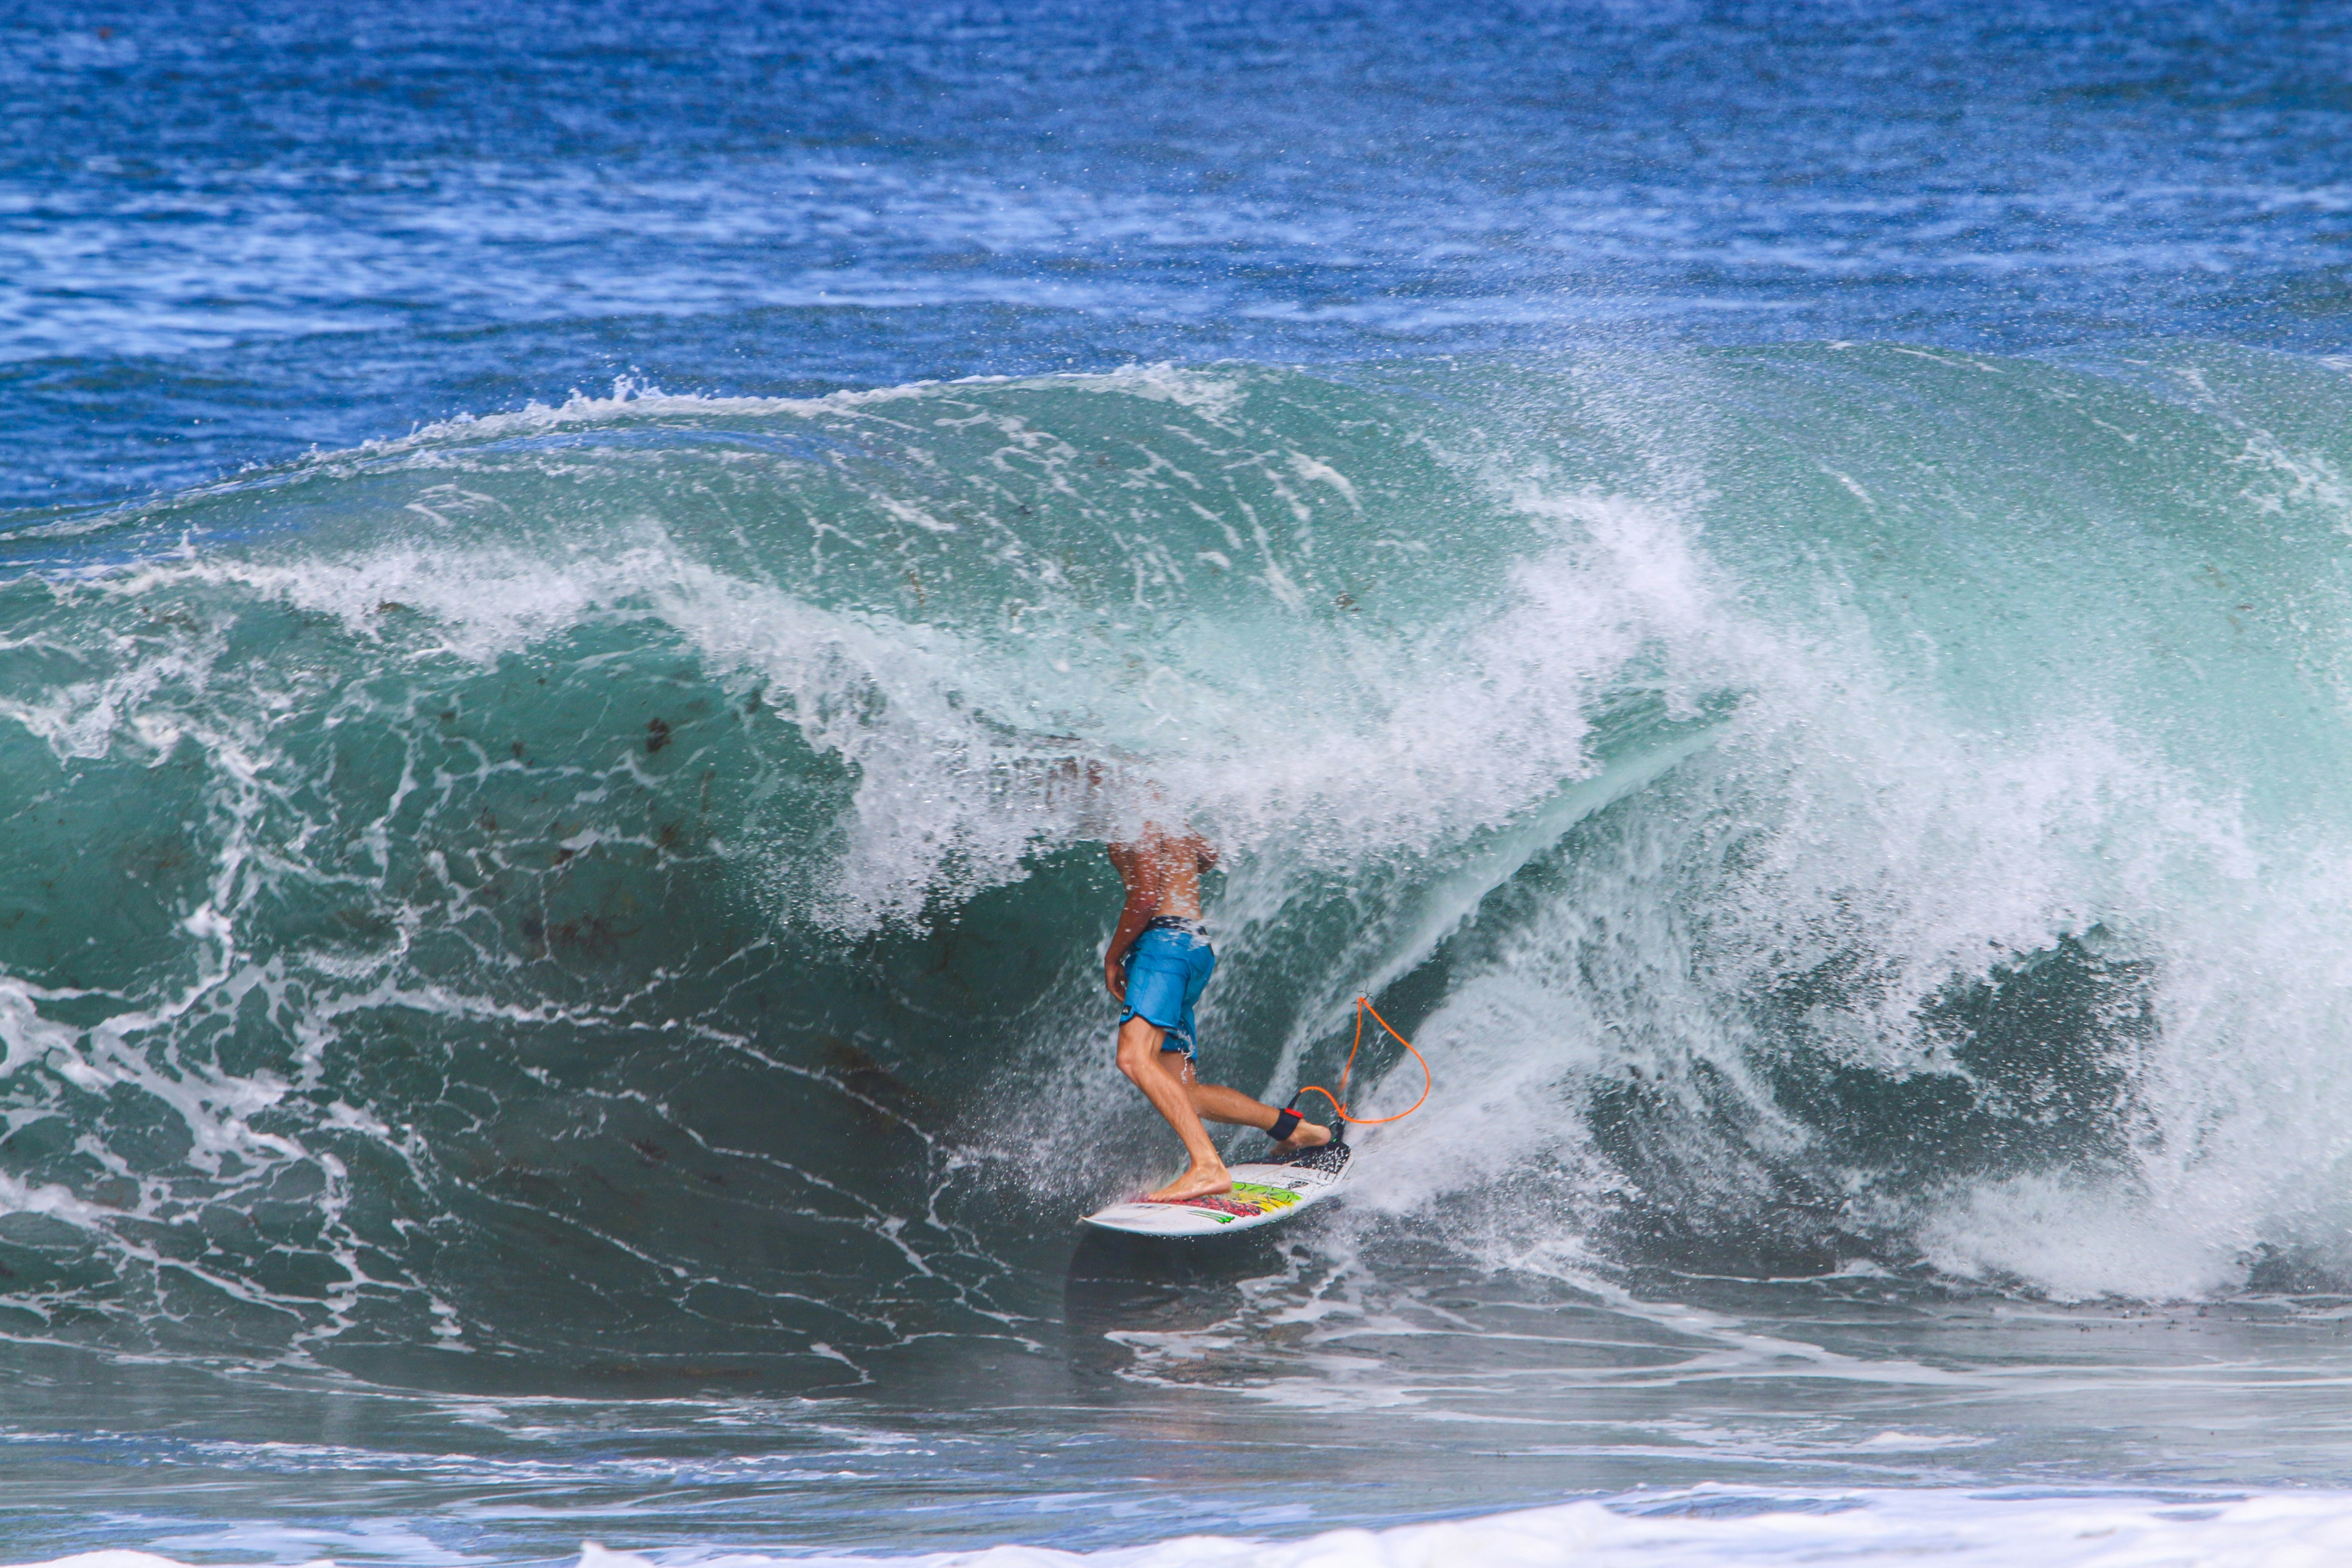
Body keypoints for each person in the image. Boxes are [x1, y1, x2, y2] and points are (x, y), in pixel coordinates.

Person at [1106, 824, 1330, 1202]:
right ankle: (1295, 1131)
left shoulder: (1133, 806)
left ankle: (1208, 1166)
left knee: (1133, 1057)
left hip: (1163, 947)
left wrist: (1113, 958)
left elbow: (1145, 897)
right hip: (1192, 944)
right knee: (1188, 1094)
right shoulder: (1164, 807)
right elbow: (1208, 856)